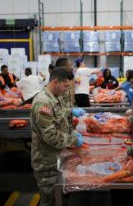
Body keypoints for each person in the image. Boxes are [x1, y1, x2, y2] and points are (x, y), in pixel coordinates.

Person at [31, 67, 85, 206]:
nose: (66, 89)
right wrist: (73, 139)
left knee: (60, 197)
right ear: (55, 82)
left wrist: (71, 112)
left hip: (57, 156)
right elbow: (51, 136)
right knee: (50, 199)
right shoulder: (43, 103)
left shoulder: (55, 97)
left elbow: (59, 114)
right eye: (65, 86)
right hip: (46, 160)